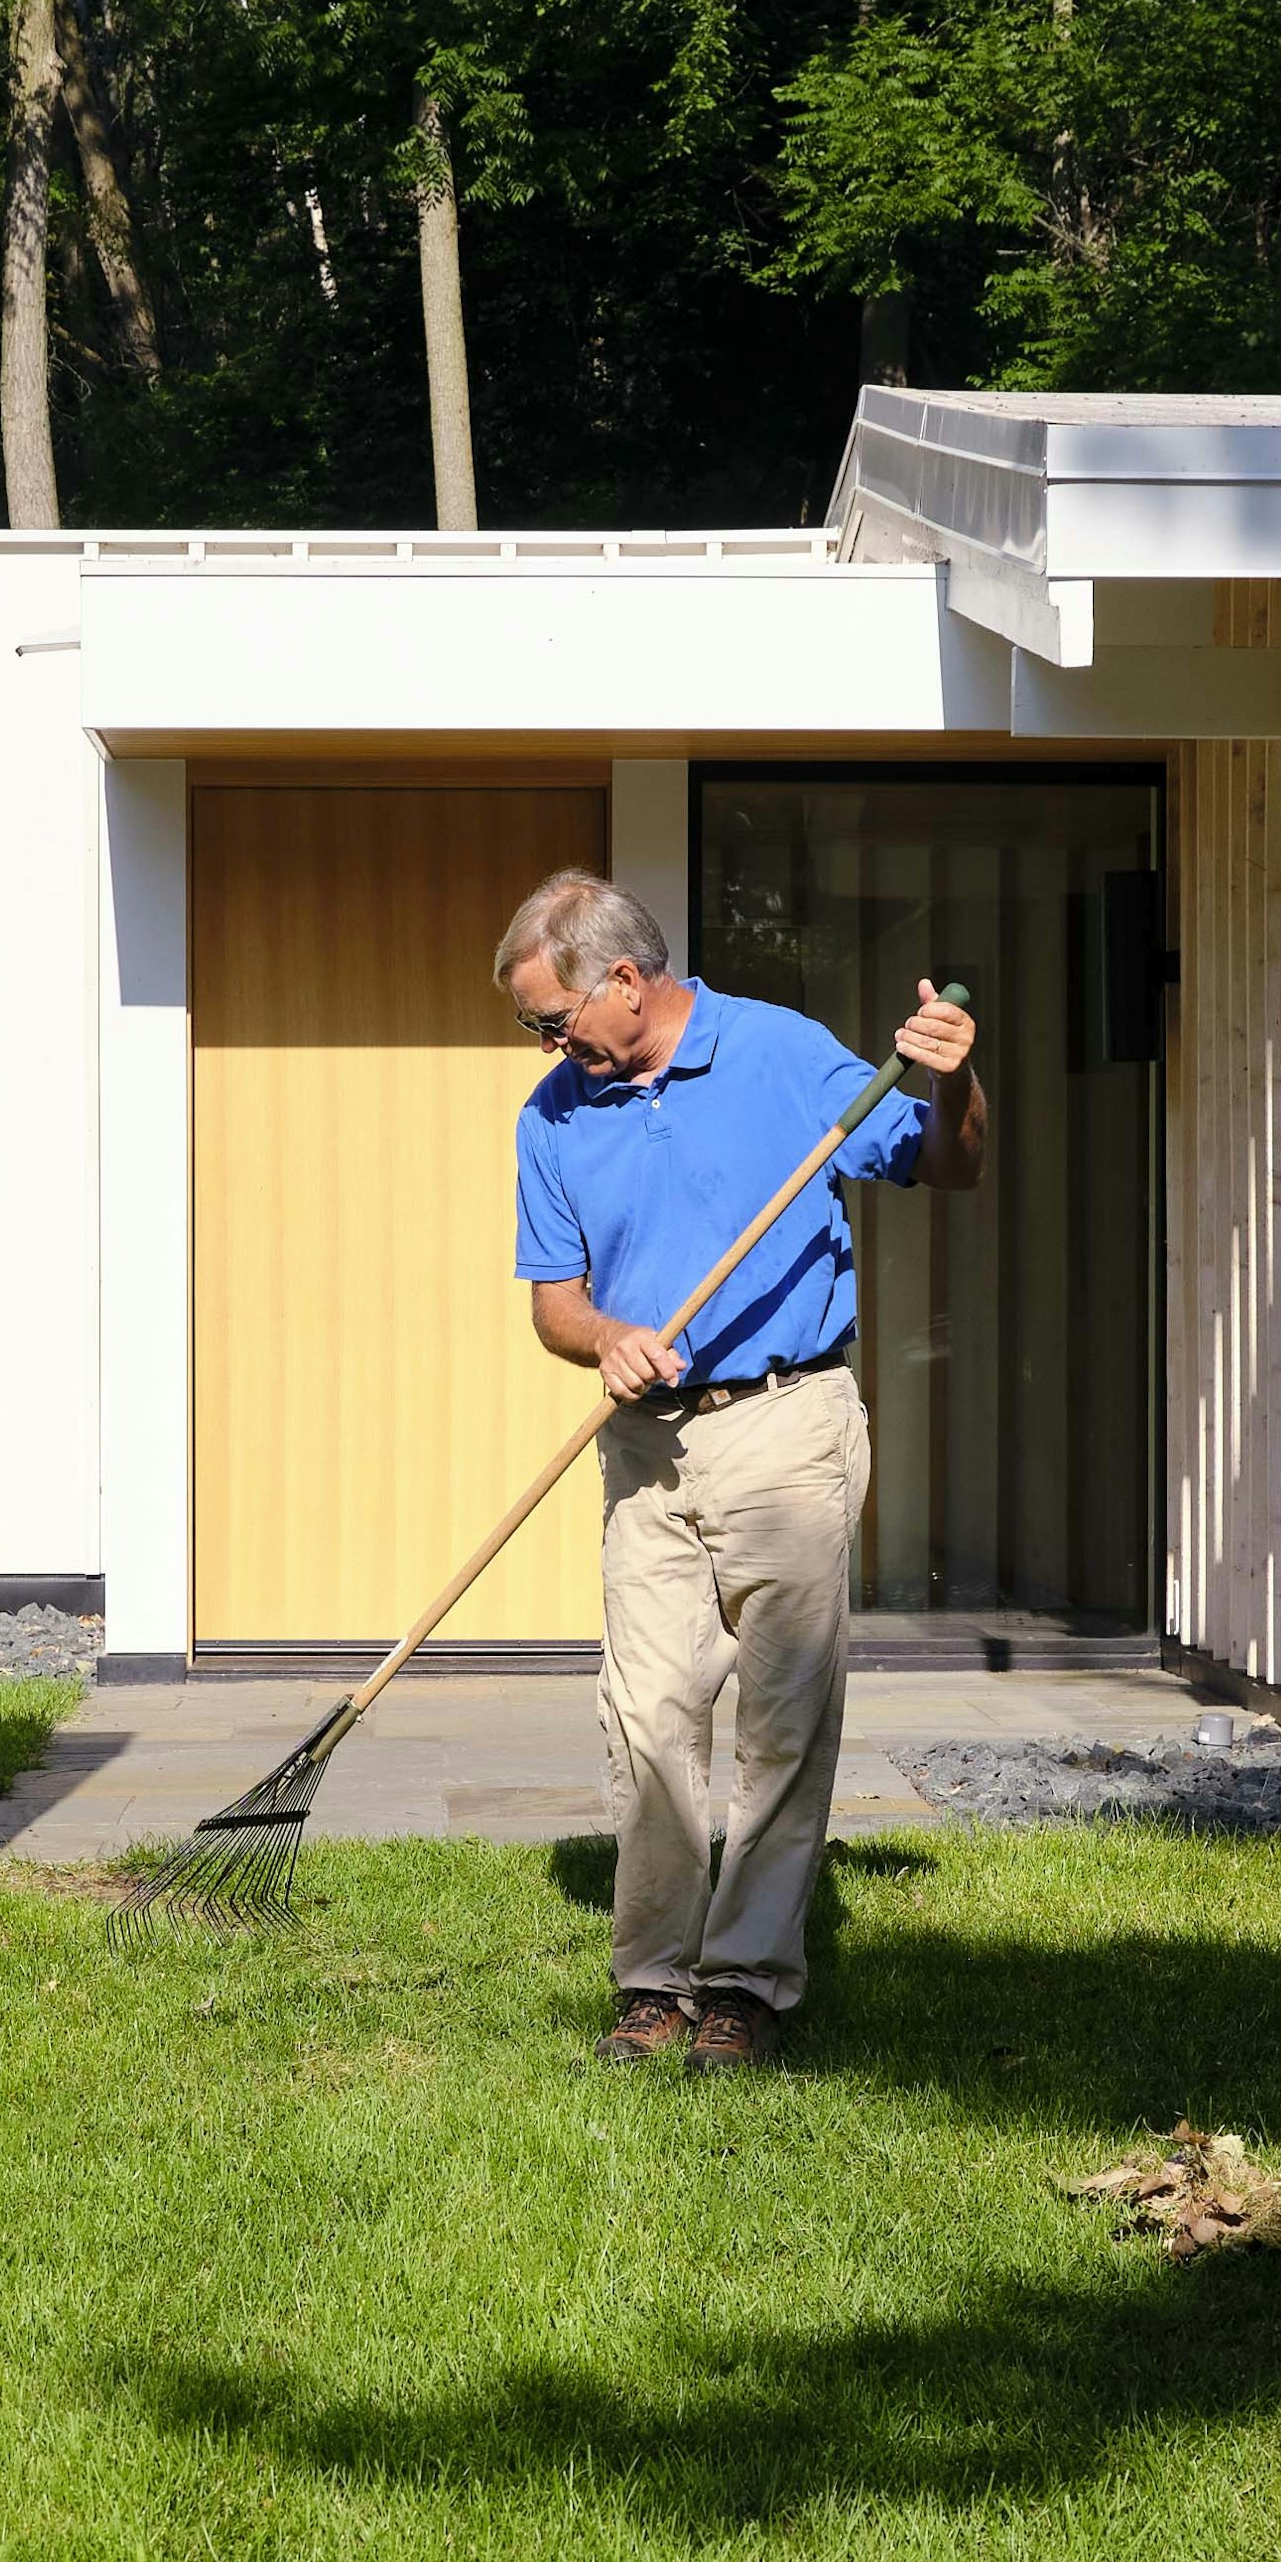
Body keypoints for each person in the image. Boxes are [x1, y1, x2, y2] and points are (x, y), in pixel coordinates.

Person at [496, 874, 984, 2068]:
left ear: (621, 980)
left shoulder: (774, 1052)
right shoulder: (550, 1117)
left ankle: (747, 1986)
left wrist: (953, 1077)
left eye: (548, 1019)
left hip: (784, 1422)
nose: (544, 1045)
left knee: (780, 1718)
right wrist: (603, 1338)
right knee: (646, 1711)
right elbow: (553, 1304)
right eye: (532, 1030)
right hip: (647, 1444)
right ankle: (653, 1980)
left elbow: (946, 1164)